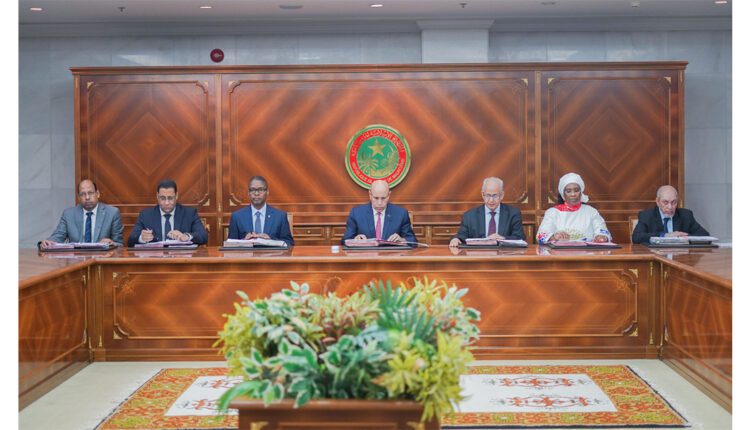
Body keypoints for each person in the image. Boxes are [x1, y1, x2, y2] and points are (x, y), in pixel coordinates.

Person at [41, 179, 123, 248]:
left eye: (90, 193)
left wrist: (111, 243)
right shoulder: (68, 214)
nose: (87, 197)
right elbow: (58, 236)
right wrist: (48, 242)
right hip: (77, 259)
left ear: (97, 194)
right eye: (83, 194)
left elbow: (119, 244)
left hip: (101, 259)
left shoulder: (112, 213)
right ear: (79, 197)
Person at [127, 179, 208, 247]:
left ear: (176, 196)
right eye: (162, 198)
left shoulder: (189, 214)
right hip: (155, 259)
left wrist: (186, 237)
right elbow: (131, 240)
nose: (166, 203)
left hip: (181, 259)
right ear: (157, 196)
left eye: (170, 198)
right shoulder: (145, 215)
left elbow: (203, 237)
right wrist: (142, 238)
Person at [449, 177, 525, 248]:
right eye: (488, 195)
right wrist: (456, 239)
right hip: (478, 256)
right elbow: (461, 235)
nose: (491, 200)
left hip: (504, 255)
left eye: (495, 196)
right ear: (483, 195)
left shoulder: (513, 214)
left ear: (502, 195)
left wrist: (502, 238)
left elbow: (520, 238)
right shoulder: (470, 216)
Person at [536, 172, 611, 244]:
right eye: (568, 191)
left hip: (586, 252)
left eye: (576, 190)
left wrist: (601, 237)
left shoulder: (591, 212)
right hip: (560, 252)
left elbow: (602, 231)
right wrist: (554, 237)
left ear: (581, 192)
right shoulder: (552, 212)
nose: (573, 194)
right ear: (563, 194)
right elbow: (540, 236)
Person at [341, 179, 416, 244]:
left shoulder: (401, 214)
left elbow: (412, 241)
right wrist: (355, 240)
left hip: (391, 255)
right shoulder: (356, 213)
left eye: (383, 198)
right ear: (370, 195)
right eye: (376, 198)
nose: (379, 203)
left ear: (389, 195)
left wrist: (402, 240)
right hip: (365, 255)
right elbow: (345, 241)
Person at [228, 176, 294, 246]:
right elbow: (230, 245)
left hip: (271, 253)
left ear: (267, 192)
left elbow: (289, 243)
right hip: (247, 253)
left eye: (260, 190)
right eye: (252, 190)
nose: (256, 193)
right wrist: (244, 241)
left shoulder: (280, 216)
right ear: (248, 193)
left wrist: (271, 240)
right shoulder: (237, 217)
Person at [631, 185, 709, 244]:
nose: (670, 207)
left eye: (674, 202)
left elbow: (705, 235)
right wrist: (665, 236)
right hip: (656, 256)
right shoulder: (647, 215)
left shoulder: (685, 215)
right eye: (665, 202)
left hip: (680, 256)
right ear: (658, 202)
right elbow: (636, 237)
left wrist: (684, 237)